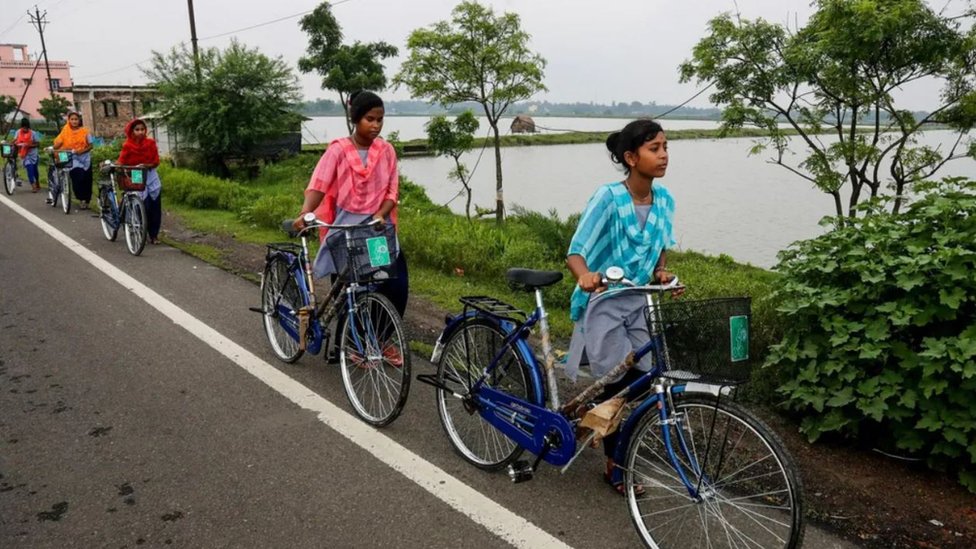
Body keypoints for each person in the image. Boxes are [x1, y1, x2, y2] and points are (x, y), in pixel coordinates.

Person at [564, 118, 680, 495]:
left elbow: (659, 247)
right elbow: (576, 251)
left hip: (641, 300)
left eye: (665, 147)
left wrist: (662, 273)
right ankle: (615, 464)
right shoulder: (608, 198)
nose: (663, 156)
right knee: (619, 383)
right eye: (654, 149)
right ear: (631, 157)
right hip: (604, 301)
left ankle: (588, 409)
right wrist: (585, 275)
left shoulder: (665, 200)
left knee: (646, 378)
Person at [293, 90, 409, 357]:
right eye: (370, 119)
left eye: (380, 120)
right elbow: (319, 185)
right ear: (356, 119)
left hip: (377, 229)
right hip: (345, 229)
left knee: (393, 284)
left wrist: (382, 213)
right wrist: (305, 213)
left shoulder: (386, 151)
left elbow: (392, 190)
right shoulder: (338, 150)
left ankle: (379, 339)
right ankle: (351, 344)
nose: (376, 125)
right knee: (349, 290)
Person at [117, 118, 163, 244]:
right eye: (137, 130)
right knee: (142, 204)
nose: (141, 132)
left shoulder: (151, 143)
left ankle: (154, 235)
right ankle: (140, 229)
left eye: (142, 129)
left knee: (155, 207)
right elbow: (121, 161)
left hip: (150, 173)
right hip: (136, 174)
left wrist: (147, 165)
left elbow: (156, 161)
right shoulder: (127, 146)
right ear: (131, 131)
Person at [52, 112, 94, 209]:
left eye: (76, 119)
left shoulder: (85, 131)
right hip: (70, 157)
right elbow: (57, 144)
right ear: (69, 120)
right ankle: (81, 199)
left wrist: (81, 151)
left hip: (84, 157)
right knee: (78, 176)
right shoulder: (65, 131)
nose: (74, 121)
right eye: (72, 119)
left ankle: (87, 200)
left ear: (79, 121)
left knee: (87, 179)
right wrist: (53, 149)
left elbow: (90, 145)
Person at [13, 118, 41, 192]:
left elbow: (38, 144)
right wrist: (15, 144)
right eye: (23, 127)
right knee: (30, 169)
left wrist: (29, 145)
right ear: (22, 126)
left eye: (26, 127)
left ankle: (37, 182)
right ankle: (33, 186)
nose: (25, 129)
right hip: (24, 155)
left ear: (28, 127)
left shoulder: (33, 133)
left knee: (35, 171)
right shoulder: (18, 132)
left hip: (33, 154)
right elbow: (14, 141)